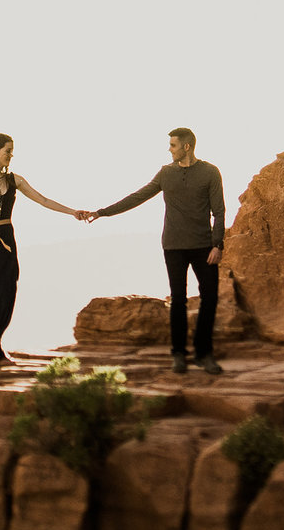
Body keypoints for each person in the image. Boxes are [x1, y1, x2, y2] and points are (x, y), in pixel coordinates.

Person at [90, 126, 225, 374]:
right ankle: (179, 355)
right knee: (178, 300)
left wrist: (218, 244)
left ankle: (204, 354)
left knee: (210, 298)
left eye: (173, 145)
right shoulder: (165, 173)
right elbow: (137, 196)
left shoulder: (210, 173)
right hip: (173, 246)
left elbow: (219, 211)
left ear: (186, 146)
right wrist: (102, 212)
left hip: (204, 246)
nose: (169, 150)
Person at [0, 133, 91, 366]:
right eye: (7, 151)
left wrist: (73, 211)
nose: (11, 155)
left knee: (8, 290)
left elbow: (43, 200)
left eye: (12, 151)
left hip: (7, 238)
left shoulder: (15, 180)